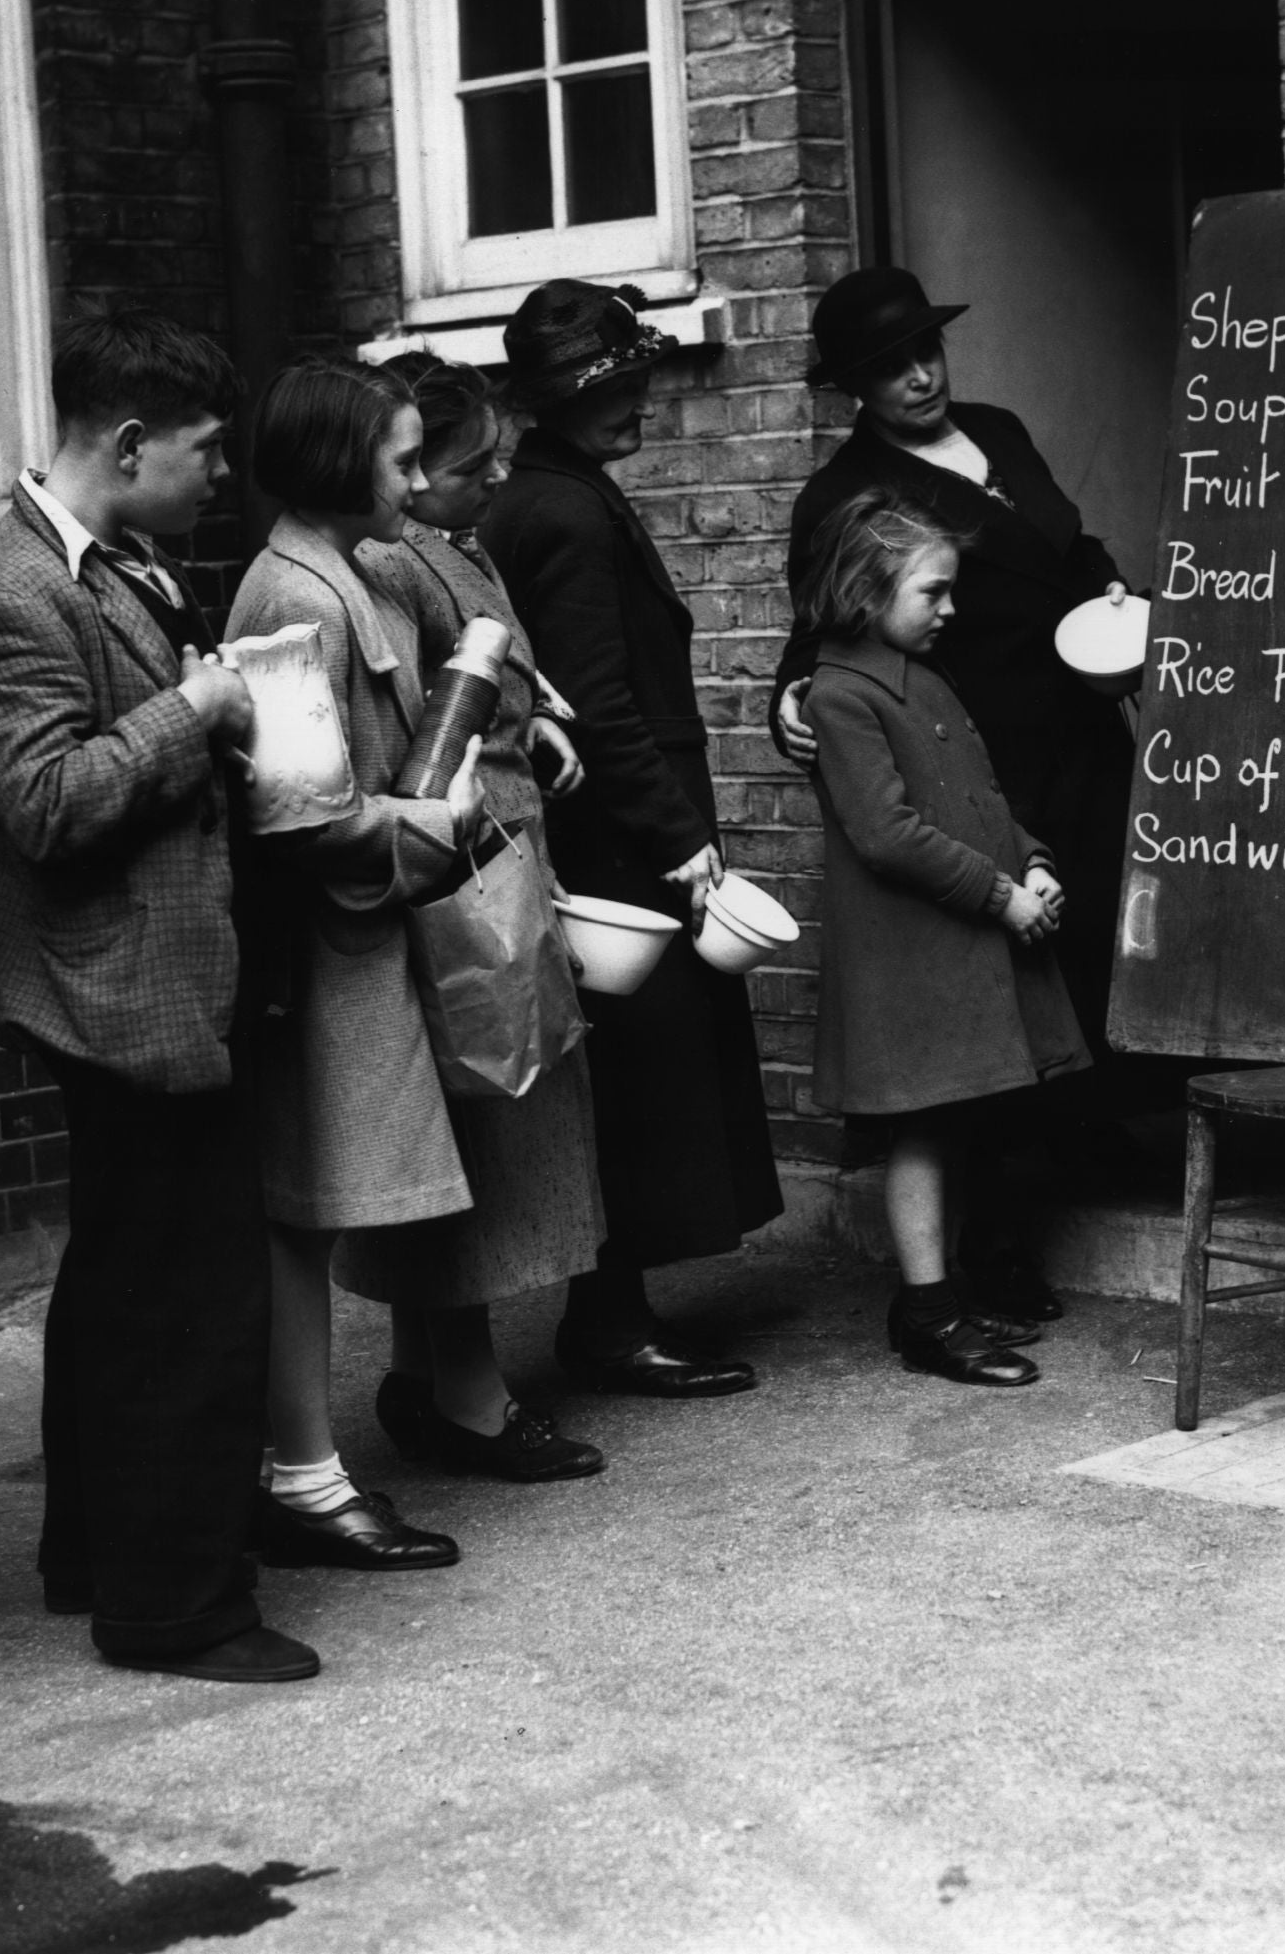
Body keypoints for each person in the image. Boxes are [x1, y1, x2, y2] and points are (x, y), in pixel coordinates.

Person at [0, 310, 316, 1686]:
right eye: (207, 453)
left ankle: (96, 1553)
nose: (223, 476)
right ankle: (176, 1606)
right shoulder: (17, 598)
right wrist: (197, 713)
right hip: (119, 996)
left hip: (157, 979)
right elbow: (44, 804)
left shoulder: (121, 562)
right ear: (128, 443)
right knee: (189, 1300)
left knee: (119, 1283)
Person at [231, 356, 605, 1499]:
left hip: (379, 925)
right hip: (350, 939)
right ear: (345, 462)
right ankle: (315, 1472)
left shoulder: (341, 572)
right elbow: (305, 819)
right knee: (315, 1214)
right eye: (402, 459)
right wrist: (439, 825)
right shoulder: (298, 594)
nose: (418, 482)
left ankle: (387, 1427)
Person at [770, 267, 1138, 1322]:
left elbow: (1068, 547)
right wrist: (792, 704)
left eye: (928, 350)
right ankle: (1001, 1240)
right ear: (854, 386)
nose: (920, 375)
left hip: (1082, 729)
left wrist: (1112, 589)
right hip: (981, 754)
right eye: (890, 366)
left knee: (1102, 938)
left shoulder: (1000, 429)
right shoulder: (845, 495)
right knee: (1007, 997)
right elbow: (823, 639)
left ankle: (1100, 1148)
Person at [481, 282, 780, 1395]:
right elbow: (598, 703)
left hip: (605, 828)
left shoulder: (550, 494)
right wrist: (677, 837)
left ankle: (614, 1309)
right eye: (608, 389)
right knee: (639, 1083)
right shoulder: (562, 511)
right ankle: (609, 1321)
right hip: (616, 842)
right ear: (553, 405)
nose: (636, 400)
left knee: (629, 1080)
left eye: (631, 377)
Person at [348, 350, 613, 1480]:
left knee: (489, 1134)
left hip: (496, 850)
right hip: (465, 871)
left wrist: (534, 713)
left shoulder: (449, 546)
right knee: (476, 1139)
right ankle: (468, 1395)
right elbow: (422, 736)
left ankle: (435, 1377)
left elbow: (492, 668)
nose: (493, 477)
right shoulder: (392, 561)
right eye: (465, 464)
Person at [800, 491, 1089, 1385]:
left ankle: (943, 1292)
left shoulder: (923, 676)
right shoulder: (841, 694)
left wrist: (1032, 858)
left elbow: (981, 800)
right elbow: (886, 834)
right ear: (863, 587)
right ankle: (928, 1312)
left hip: (957, 946)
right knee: (923, 1132)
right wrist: (1000, 895)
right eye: (932, 592)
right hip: (913, 956)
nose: (949, 610)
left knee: (958, 1122)